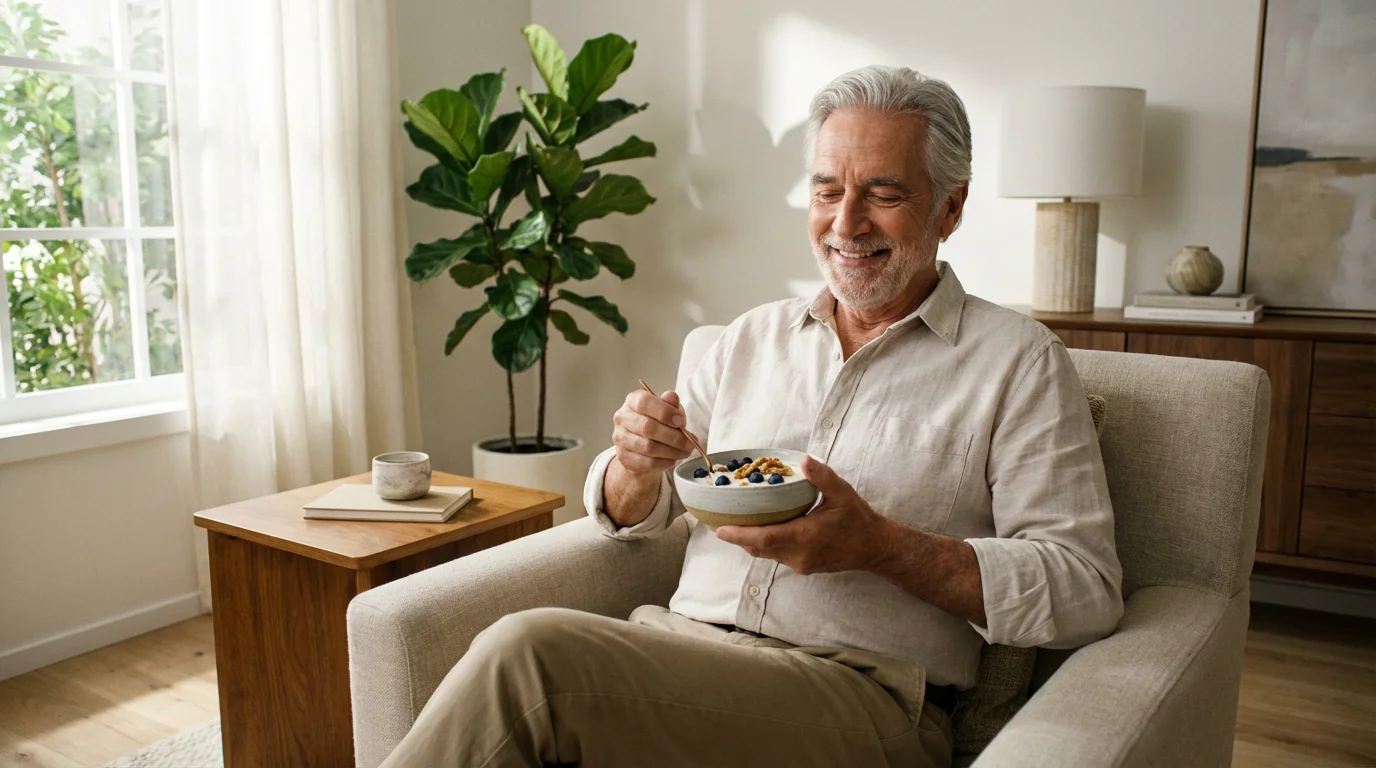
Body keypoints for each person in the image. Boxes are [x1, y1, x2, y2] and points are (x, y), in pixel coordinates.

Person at [381, 64, 1124, 768]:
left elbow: (1084, 588)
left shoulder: (1019, 361)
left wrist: (883, 548)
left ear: (950, 206)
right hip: (680, 654)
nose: (846, 222)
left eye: (885, 194)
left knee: (531, 656)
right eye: (827, 190)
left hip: (865, 700)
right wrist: (636, 464)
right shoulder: (748, 339)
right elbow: (638, 508)